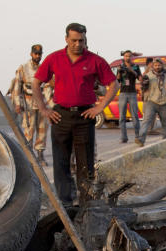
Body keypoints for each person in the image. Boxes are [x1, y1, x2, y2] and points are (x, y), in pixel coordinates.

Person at [32, 22, 117, 204]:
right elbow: (36, 83)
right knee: (61, 162)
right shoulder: (54, 58)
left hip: (84, 117)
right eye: (74, 40)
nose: (78, 44)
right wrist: (44, 109)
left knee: (85, 164)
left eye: (82, 40)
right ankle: (65, 204)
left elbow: (114, 84)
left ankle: (87, 203)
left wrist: (99, 108)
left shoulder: (95, 60)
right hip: (60, 116)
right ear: (66, 39)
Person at [11, 44, 52, 163]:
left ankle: (40, 155)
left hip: (42, 101)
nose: (38, 56)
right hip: (28, 101)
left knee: (42, 129)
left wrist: (51, 105)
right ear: (31, 54)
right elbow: (17, 87)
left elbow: (48, 87)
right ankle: (29, 156)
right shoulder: (23, 68)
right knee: (29, 130)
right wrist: (18, 103)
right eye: (36, 53)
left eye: (40, 54)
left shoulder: (44, 68)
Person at [136, 57, 166, 146]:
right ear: (153, 66)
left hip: (164, 102)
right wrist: (143, 84)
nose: (157, 67)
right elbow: (142, 88)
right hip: (151, 101)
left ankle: (165, 141)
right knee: (146, 121)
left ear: (162, 65)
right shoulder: (148, 75)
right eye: (155, 65)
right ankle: (141, 140)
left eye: (159, 65)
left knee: (165, 122)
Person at [116, 50, 141, 143]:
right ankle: (123, 137)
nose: (128, 58)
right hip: (122, 93)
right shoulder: (121, 66)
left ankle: (137, 136)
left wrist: (132, 71)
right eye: (126, 56)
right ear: (124, 57)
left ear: (132, 57)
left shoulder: (136, 66)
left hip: (132, 93)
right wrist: (119, 71)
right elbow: (118, 80)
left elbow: (140, 78)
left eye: (129, 56)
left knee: (135, 115)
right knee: (122, 117)